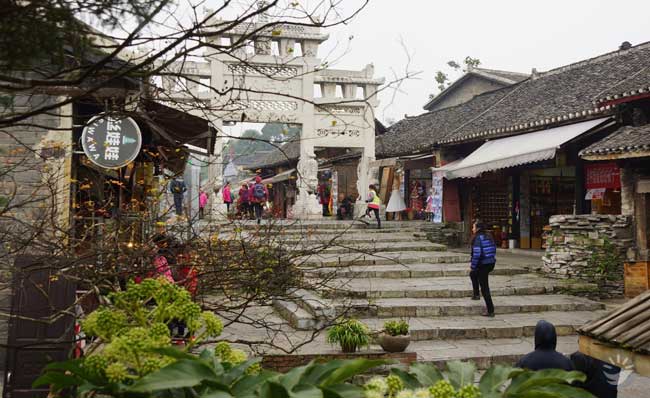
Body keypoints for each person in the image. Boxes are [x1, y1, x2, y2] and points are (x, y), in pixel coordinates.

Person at [469, 220, 497, 317]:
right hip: (491, 262)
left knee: (484, 287)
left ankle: (490, 310)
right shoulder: (489, 236)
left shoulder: (477, 238)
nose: (472, 229)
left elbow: (477, 254)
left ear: (477, 228)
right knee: (473, 274)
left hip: (483, 264)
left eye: (473, 227)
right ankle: (476, 294)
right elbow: (494, 249)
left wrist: (473, 266)